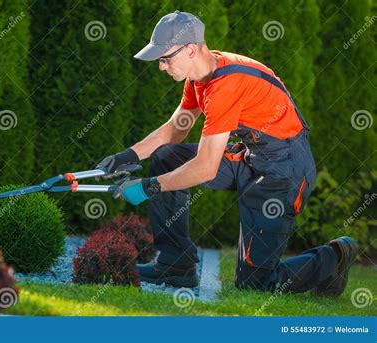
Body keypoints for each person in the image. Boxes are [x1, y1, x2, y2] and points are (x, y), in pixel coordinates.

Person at [96, 10, 358, 295]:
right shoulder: (199, 78)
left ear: (191, 49)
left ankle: (336, 256)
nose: (161, 66)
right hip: (250, 157)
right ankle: (176, 264)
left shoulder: (225, 85)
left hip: (284, 171)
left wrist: (149, 187)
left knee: (255, 284)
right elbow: (176, 129)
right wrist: (128, 156)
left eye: (165, 58)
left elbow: (206, 167)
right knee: (167, 157)